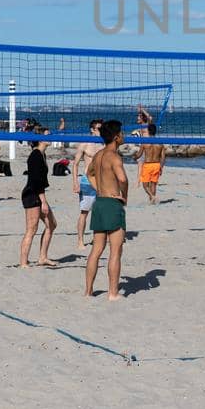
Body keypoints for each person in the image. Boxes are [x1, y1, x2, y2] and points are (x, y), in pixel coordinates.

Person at [83, 119, 129, 300]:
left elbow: (89, 173)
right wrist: (123, 196)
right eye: (122, 133)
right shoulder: (114, 157)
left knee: (96, 250)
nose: (124, 136)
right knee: (115, 251)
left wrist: (98, 189)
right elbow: (123, 179)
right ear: (117, 137)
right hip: (111, 203)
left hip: (99, 202)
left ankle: (88, 291)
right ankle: (113, 293)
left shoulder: (99, 155)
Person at [19, 138, 56, 268]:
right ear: (40, 139)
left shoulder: (42, 154)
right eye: (48, 134)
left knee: (51, 224)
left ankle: (42, 257)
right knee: (31, 229)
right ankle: (23, 262)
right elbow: (36, 181)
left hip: (37, 193)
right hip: (32, 194)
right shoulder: (35, 156)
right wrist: (43, 201)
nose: (51, 136)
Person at [71, 119, 103, 246]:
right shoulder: (84, 144)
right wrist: (75, 182)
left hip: (101, 181)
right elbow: (75, 164)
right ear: (92, 129)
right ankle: (80, 241)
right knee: (84, 212)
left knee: (100, 212)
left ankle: (97, 239)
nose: (102, 131)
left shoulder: (104, 144)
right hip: (86, 181)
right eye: (99, 128)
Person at [136, 123, 165, 204]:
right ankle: (152, 201)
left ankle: (152, 197)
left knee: (145, 185)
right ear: (155, 131)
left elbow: (139, 154)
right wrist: (161, 167)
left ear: (148, 131)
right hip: (156, 165)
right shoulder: (160, 143)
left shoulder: (145, 142)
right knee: (153, 185)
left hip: (148, 165)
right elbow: (163, 157)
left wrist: (134, 157)